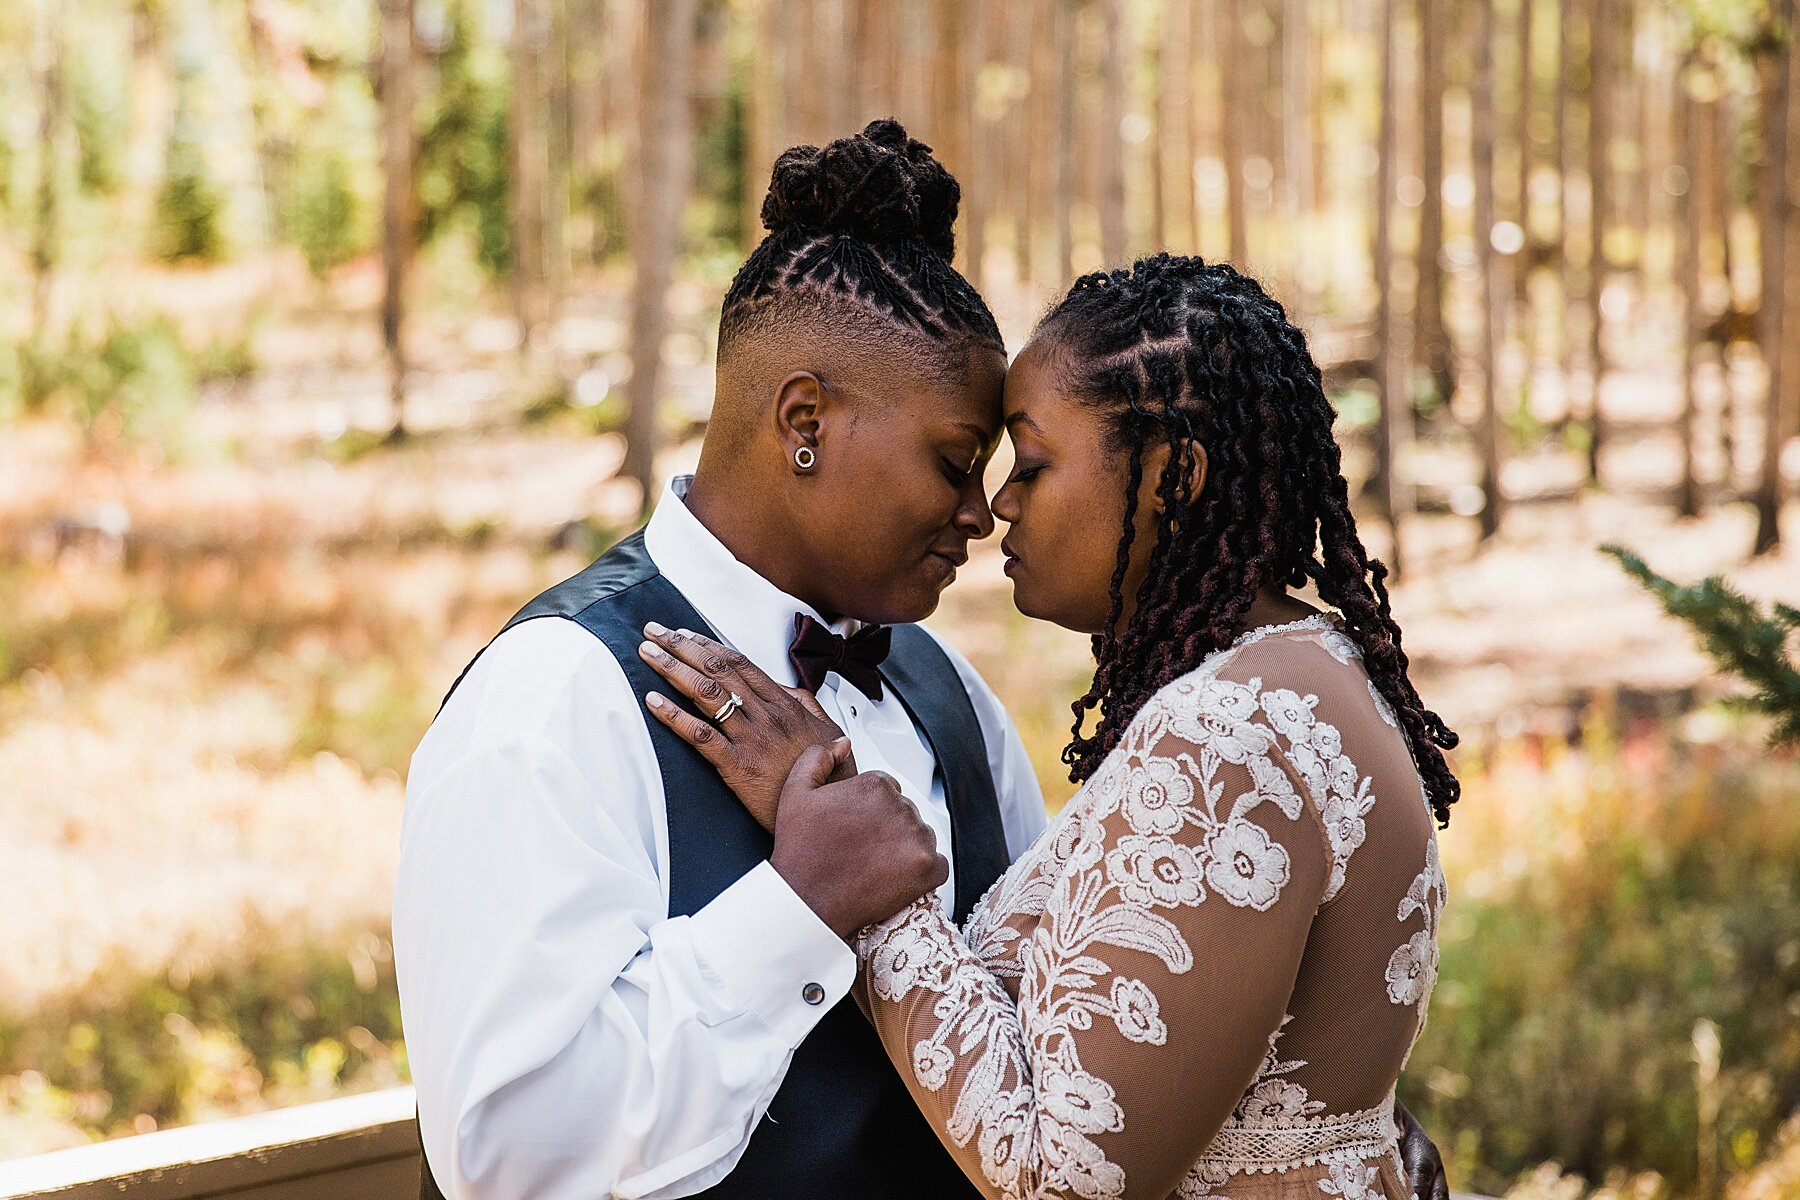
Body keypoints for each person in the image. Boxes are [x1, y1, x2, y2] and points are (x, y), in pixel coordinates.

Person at [395, 120, 1447, 1200]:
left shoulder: (953, 700)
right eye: (955, 463)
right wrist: (800, 906)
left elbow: (1090, 1040)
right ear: (804, 419)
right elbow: (503, 1155)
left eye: (1009, 466)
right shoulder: (553, 701)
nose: (979, 513)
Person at [638, 252, 1460, 1200]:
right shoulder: (1307, 668)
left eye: (1030, 463)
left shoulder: (1227, 738)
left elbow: (1063, 1181)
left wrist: (870, 897)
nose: (997, 507)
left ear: (1172, 477)